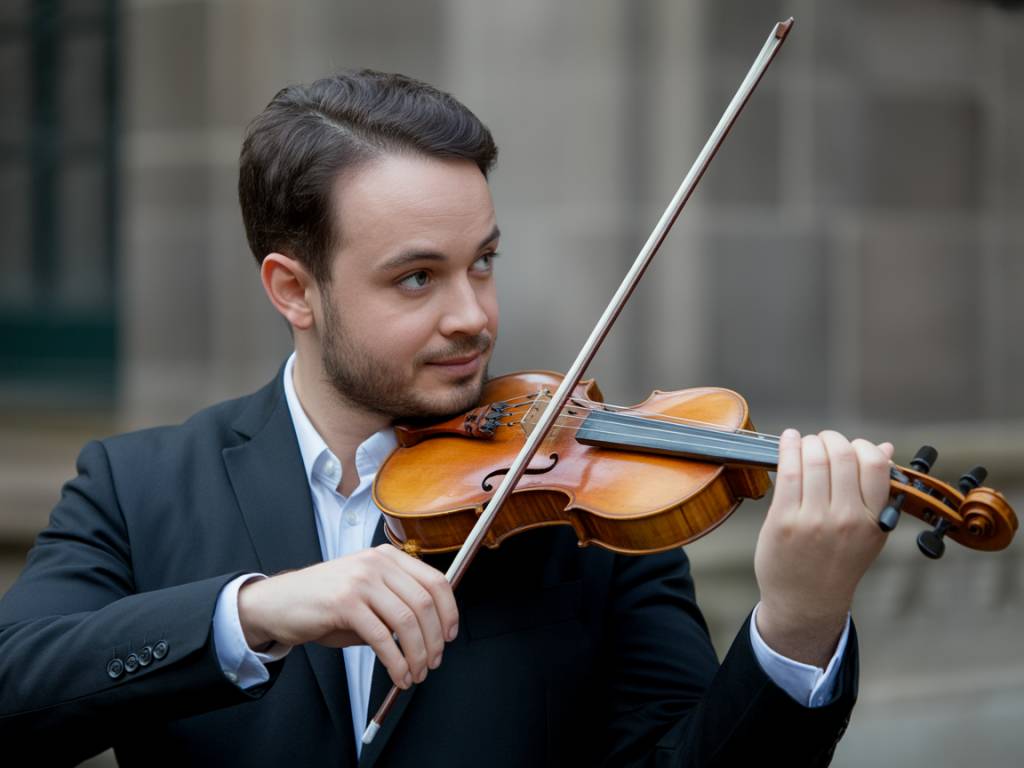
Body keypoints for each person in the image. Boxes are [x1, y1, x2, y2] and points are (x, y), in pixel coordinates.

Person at [0, 70, 894, 767]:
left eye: (485, 262)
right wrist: (257, 611)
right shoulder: (135, 487)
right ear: (293, 290)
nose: (473, 314)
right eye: (417, 277)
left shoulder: (590, 510)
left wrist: (796, 625)